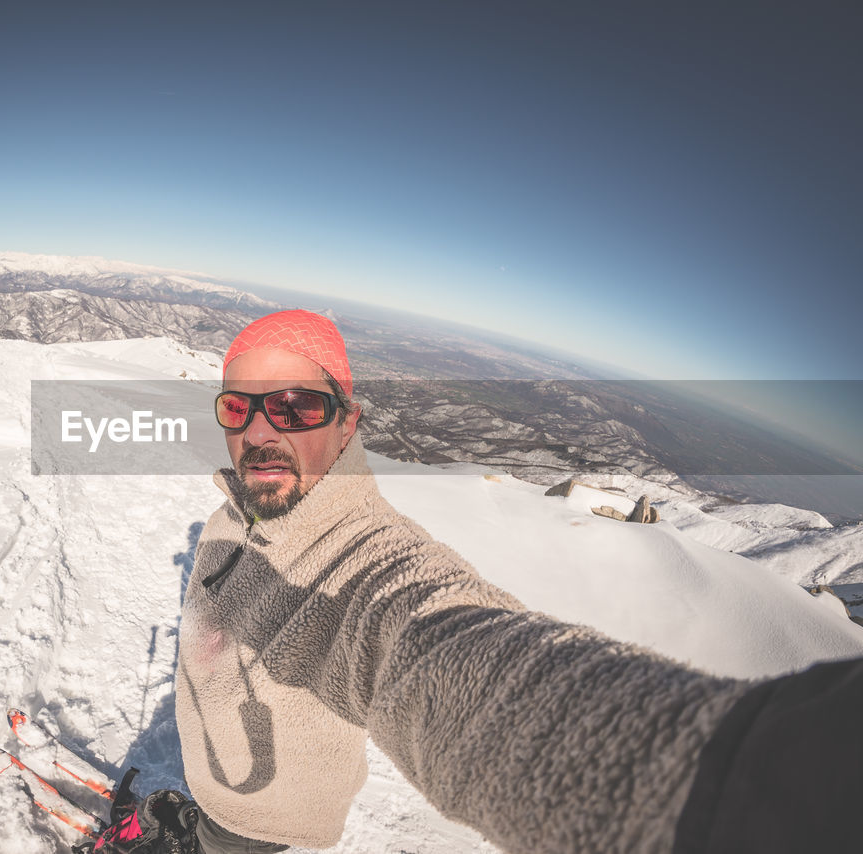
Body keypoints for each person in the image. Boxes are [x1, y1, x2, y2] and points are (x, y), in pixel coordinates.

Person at [93, 310, 862, 854]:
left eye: (296, 406)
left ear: (347, 420)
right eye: (240, 406)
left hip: (258, 810)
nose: (262, 431)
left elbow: (443, 649)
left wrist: (724, 786)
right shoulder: (243, 502)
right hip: (218, 768)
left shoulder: (362, 559)